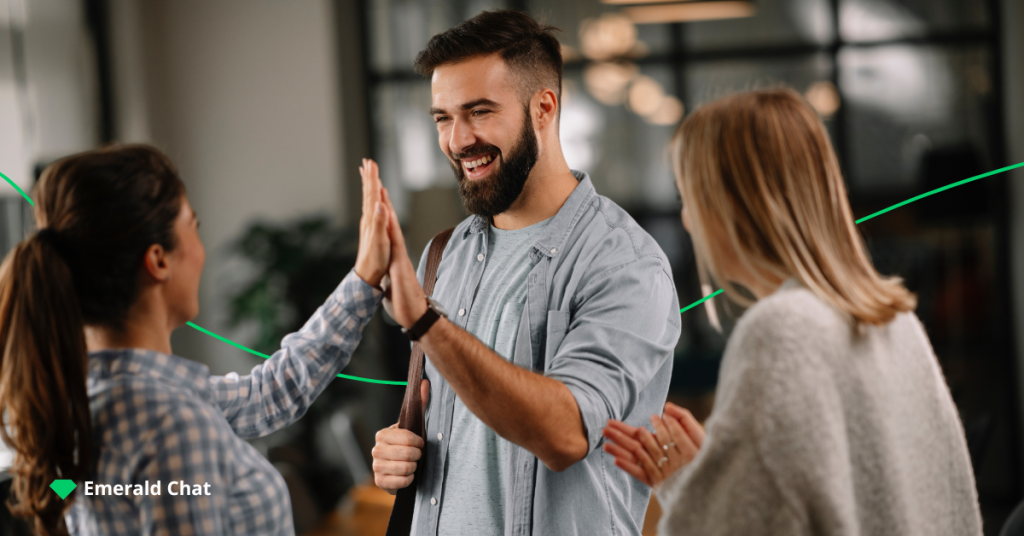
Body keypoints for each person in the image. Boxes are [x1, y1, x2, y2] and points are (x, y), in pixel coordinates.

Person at [602, 89, 983, 535]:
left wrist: (684, 484)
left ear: (732, 206)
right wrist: (717, 476)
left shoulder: (782, 330)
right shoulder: (896, 322)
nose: (688, 221)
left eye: (690, 199)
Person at [367, 10, 681, 536]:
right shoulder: (446, 254)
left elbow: (566, 435)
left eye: (480, 111)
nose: (458, 139)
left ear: (544, 107)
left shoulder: (625, 264)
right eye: (443, 118)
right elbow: (459, 432)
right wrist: (398, 449)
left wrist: (425, 322)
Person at [0, 144, 395, 536]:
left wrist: (364, 277)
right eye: (193, 226)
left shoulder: (88, 397)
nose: (200, 247)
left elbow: (269, 392)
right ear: (158, 261)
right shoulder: (171, 422)